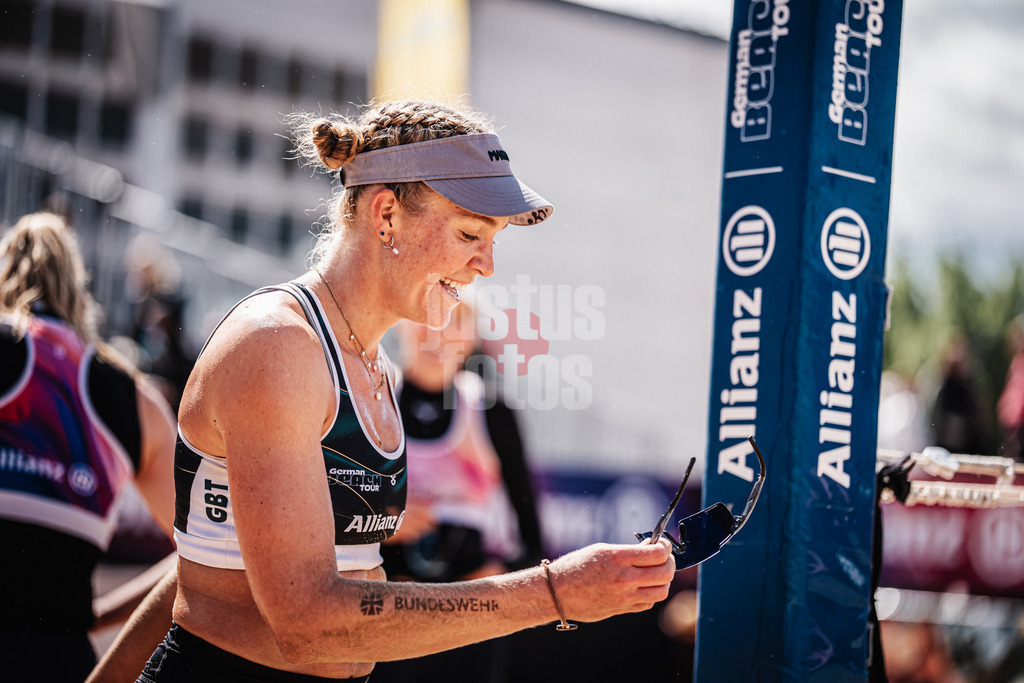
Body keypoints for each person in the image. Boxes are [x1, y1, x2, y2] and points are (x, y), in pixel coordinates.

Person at [121, 99, 674, 682]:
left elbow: (209, 557)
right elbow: (306, 619)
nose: (486, 265)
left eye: (494, 241)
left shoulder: (373, 368)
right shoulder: (279, 345)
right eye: (470, 233)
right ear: (385, 213)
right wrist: (552, 593)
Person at [0, 211, 178, 682]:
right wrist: (96, 615)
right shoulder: (133, 397)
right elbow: (207, 551)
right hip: (62, 655)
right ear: (80, 289)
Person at [372, 301, 545, 682]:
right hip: (390, 609)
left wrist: (496, 578)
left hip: (471, 617)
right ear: (401, 326)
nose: (438, 337)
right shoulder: (373, 402)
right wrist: (384, 525)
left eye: (453, 326)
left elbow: (533, 539)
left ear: (470, 340)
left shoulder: (492, 410)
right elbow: (326, 515)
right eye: (426, 324)